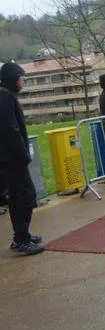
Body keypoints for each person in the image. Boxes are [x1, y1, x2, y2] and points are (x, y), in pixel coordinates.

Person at [0, 62, 44, 255]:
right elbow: (11, 129)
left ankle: (22, 235)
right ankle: (21, 239)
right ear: (13, 79)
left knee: (18, 196)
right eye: (21, 77)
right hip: (12, 158)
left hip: (10, 157)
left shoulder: (6, 95)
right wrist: (22, 154)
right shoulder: (5, 96)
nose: (23, 80)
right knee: (26, 195)